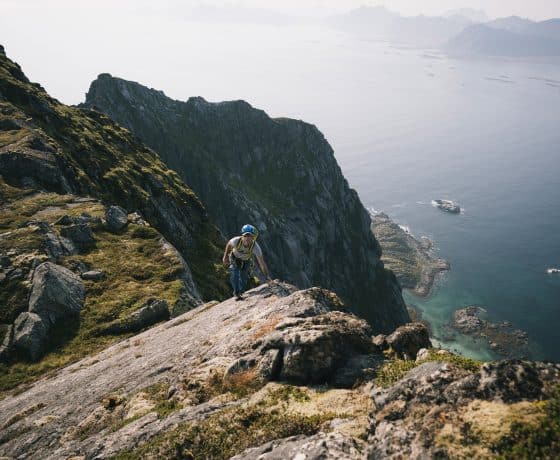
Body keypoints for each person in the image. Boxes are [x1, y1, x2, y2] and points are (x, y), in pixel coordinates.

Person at [222, 224, 271, 300]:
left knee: (243, 277)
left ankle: (241, 291)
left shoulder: (255, 247)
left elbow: (262, 262)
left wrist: (267, 276)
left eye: (249, 236)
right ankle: (237, 293)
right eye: (245, 236)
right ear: (242, 236)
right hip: (235, 258)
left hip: (246, 260)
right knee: (235, 274)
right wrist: (225, 257)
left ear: (253, 237)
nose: (247, 238)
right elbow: (229, 244)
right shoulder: (236, 240)